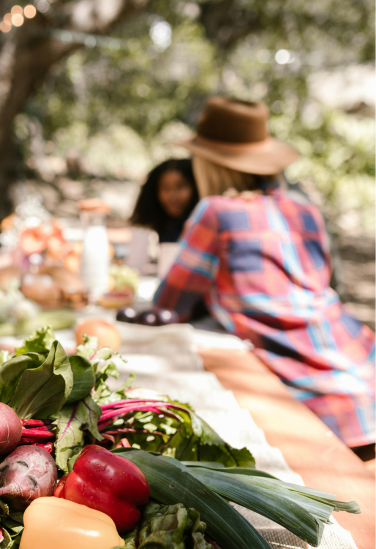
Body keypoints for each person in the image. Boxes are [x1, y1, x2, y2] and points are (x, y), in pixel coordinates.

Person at [155, 96, 376, 459]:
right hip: (363, 372)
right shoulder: (305, 208)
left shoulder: (216, 212)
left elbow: (168, 305)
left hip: (320, 410)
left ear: (208, 163)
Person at [131, 158, 198, 242]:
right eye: (165, 188)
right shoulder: (155, 225)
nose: (173, 196)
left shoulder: (200, 225)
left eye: (180, 187)